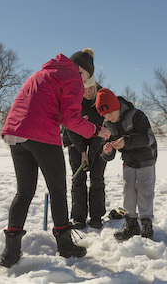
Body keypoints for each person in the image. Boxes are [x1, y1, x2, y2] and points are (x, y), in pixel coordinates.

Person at [0, 52, 111, 268]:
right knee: (58, 190)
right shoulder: (72, 76)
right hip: (41, 135)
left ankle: (10, 252)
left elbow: (44, 107)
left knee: (24, 192)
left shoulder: (43, 73)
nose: (86, 81)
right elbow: (71, 119)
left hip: (15, 133)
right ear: (81, 69)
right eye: (87, 76)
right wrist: (95, 130)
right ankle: (65, 245)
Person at [95, 88, 157, 240]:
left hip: (146, 158)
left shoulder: (136, 115)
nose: (108, 117)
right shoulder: (107, 124)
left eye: (110, 112)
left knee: (144, 191)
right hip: (128, 161)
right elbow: (107, 155)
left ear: (117, 106)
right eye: (104, 115)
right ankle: (131, 223)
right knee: (128, 191)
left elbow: (149, 138)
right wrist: (107, 150)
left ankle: (146, 223)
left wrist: (126, 141)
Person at [62, 49, 107, 230]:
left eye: (91, 89)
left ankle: (96, 216)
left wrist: (91, 153)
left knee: (97, 178)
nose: (88, 93)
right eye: (85, 89)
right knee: (78, 178)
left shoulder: (103, 97)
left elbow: (104, 130)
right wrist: (82, 152)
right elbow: (70, 128)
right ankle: (78, 217)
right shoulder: (73, 98)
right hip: (75, 141)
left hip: (98, 141)